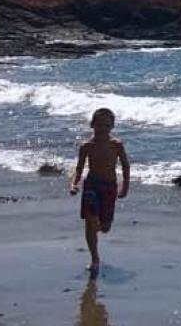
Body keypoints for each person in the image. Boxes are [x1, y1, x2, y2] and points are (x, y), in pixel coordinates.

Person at [69, 108, 130, 275]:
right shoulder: (86, 146)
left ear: (112, 126)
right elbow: (79, 169)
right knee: (90, 221)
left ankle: (95, 230)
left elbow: (125, 165)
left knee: (105, 227)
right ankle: (95, 258)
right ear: (92, 125)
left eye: (107, 125)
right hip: (91, 185)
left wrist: (125, 186)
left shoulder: (116, 145)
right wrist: (73, 184)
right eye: (99, 125)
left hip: (109, 186)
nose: (103, 128)